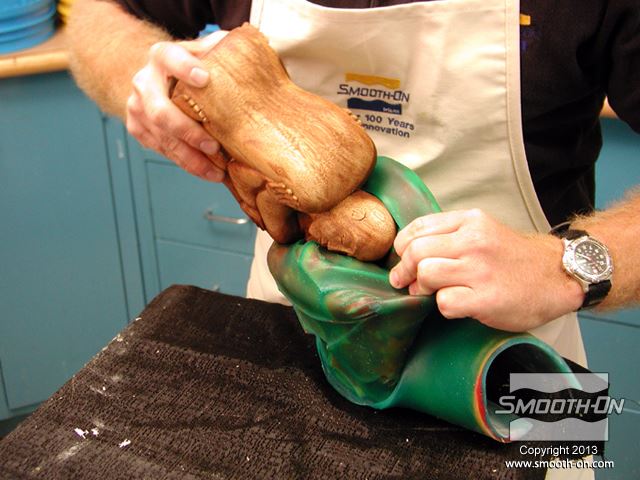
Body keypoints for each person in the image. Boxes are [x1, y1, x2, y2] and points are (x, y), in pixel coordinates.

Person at [67, 0, 639, 369]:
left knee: (556, 461)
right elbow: (96, 13)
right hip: (294, 325)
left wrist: (565, 268)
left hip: (529, 354)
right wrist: (139, 73)